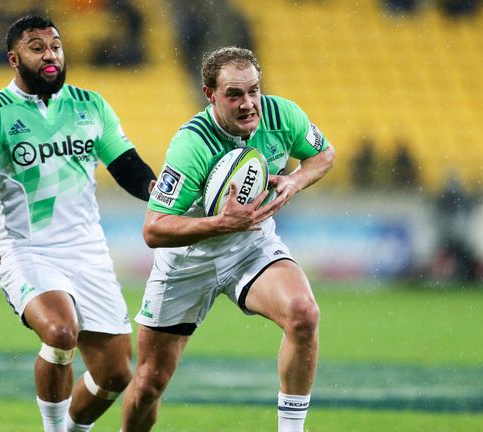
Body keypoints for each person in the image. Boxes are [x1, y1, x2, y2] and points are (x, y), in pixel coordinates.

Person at [0, 15, 156, 432]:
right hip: (28, 251)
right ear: (14, 59)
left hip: (88, 252)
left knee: (116, 374)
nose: (50, 54)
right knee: (60, 332)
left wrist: (164, 194)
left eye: (55, 45)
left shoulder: (90, 105)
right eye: (37, 47)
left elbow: (129, 169)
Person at [121, 46, 336, 432]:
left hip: (251, 245)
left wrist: (294, 180)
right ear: (210, 94)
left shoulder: (281, 114)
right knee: (150, 383)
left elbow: (324, 154)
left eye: (253, 90)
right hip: (188, 260)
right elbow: (153, 229)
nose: (248, 104)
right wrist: (220, 223)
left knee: (304, 314)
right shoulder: (192, 145)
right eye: (234, 94)